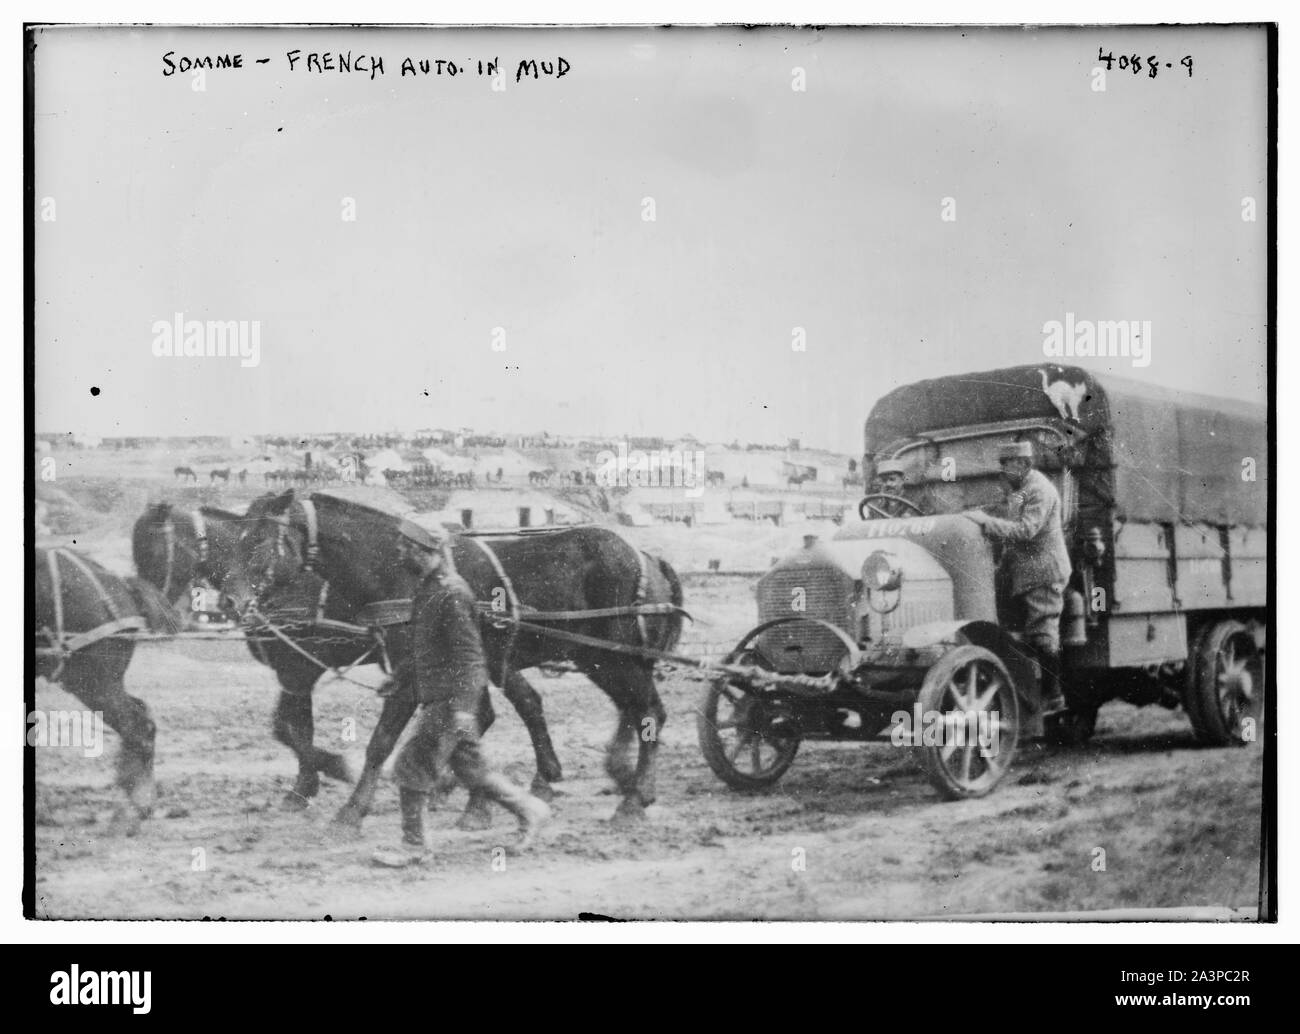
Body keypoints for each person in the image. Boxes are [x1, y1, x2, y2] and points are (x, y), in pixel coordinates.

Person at [372, 519, 550, 867]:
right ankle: (530, 809)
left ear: (422, 551)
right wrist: (401, 677)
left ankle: (414, 848)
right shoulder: (429, 588)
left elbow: (470, 658)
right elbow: (426, 646)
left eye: (404, 547)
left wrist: (465, 709)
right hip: (443, 699)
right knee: (474, 771)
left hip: (451, 702)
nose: (398, 552)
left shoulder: (452, 593)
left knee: (411, 766)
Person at [962, 442, 1072, 711]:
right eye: (1002, 464)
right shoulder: (1020, 491)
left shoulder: (1040, 490)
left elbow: (1025, 531)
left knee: (1043, 633)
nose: (1003, 470)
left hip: (1044, 573)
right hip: (1023, 573)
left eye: (1007, 464)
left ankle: (1053, 695)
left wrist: (984, 521)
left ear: (1024, 464)